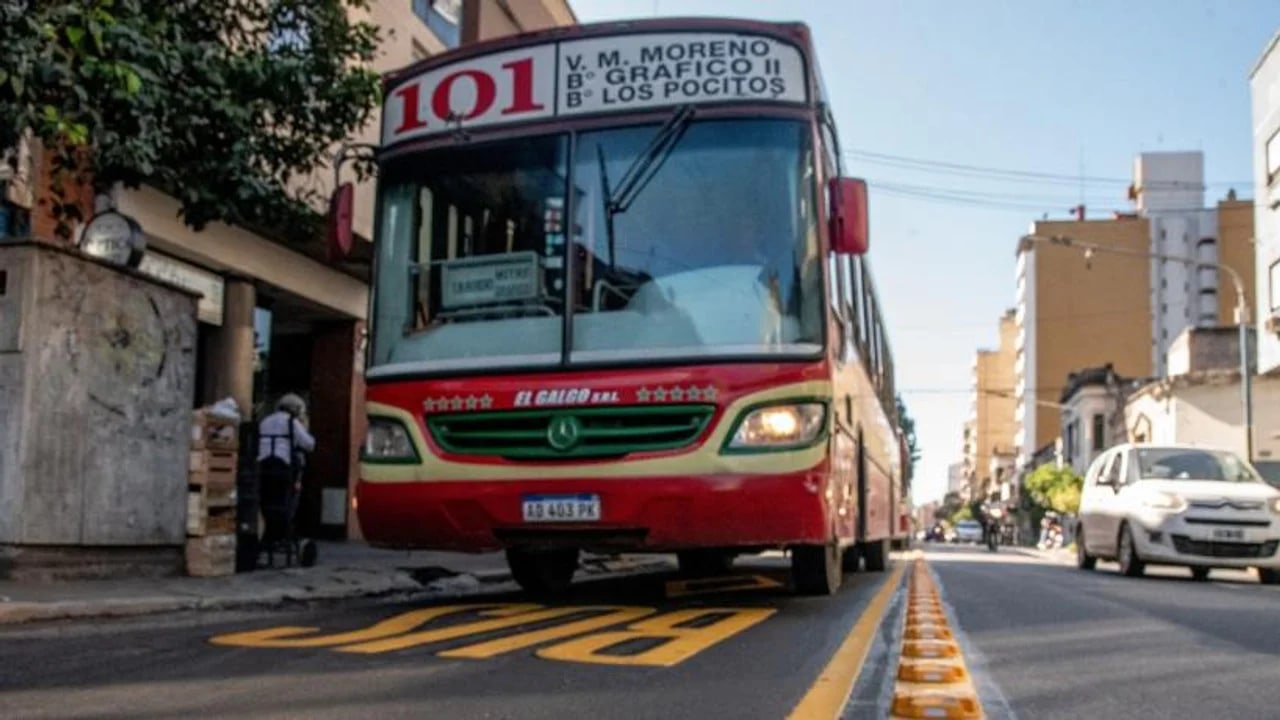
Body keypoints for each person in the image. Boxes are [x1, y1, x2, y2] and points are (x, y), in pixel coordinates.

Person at [257, 393, 316, 554]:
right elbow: (309, 444)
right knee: (287, 502)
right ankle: (284, 534)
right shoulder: (292, 422)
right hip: (283, 467)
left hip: (264, 467)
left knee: (268, 503)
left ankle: (269, 534)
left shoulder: (265, 421)